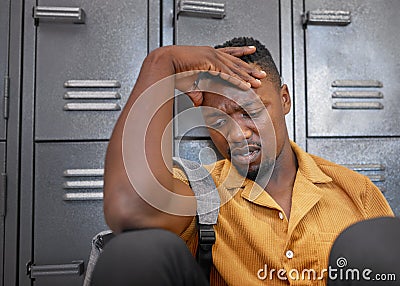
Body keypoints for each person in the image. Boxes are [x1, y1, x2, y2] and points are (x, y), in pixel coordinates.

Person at [93, 37, 394, 285]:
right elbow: (128, 208)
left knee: (372, 244)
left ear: (285, 100)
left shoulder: (356, 192)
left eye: (251, 111)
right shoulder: (201, 194)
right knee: (133, 251)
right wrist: (161, 62)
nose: (237, 133)